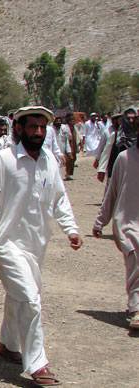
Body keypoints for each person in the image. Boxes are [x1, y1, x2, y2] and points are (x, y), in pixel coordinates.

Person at [0, 106, 82, 387]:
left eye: (42, 127)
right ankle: (38, 364)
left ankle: (8, 343)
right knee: (30, 299)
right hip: (6, 244)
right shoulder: (3, 160)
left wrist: (71, 229)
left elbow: (59, 198)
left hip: (36, 245)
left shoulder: (49, 160)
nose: (38, 132)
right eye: (32, 127)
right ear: (19, 129)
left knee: (19, 296)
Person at [93, 126, 139, 329]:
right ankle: (136, 309)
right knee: (136, 261)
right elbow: (112, 191)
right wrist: (100, 221)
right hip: (128, 222)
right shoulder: (125, 158)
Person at [63, 113, 77, 180]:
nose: (73, 122)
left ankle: (69, 173)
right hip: (68, 145)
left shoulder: (74, 128)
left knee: (73, 159)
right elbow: (67, 138)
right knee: (69, 160)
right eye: (71, 121)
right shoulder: (66, 128)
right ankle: (67, 173)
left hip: (73, 145)